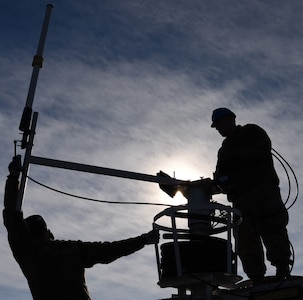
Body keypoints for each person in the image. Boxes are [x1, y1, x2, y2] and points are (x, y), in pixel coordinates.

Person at [3, 155, 159, 300]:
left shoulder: (29, 252)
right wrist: (143, 240)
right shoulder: (65, 249)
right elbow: (110, 250)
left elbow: (12, 216)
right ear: (47, 231)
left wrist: (13, 178)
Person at [211, 107, 291, 284]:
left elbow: (262, 149)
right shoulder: (223, 150)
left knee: (273, 230)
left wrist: (238, 157)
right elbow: (219, 176)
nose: (219, 129)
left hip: (264, 194)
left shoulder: (251, 131)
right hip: (241, 200)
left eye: (219, 124)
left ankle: (282, 269)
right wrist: (219, 181)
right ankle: (256, 277)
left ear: (231, 119)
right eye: (216, 127)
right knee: (246, 240)